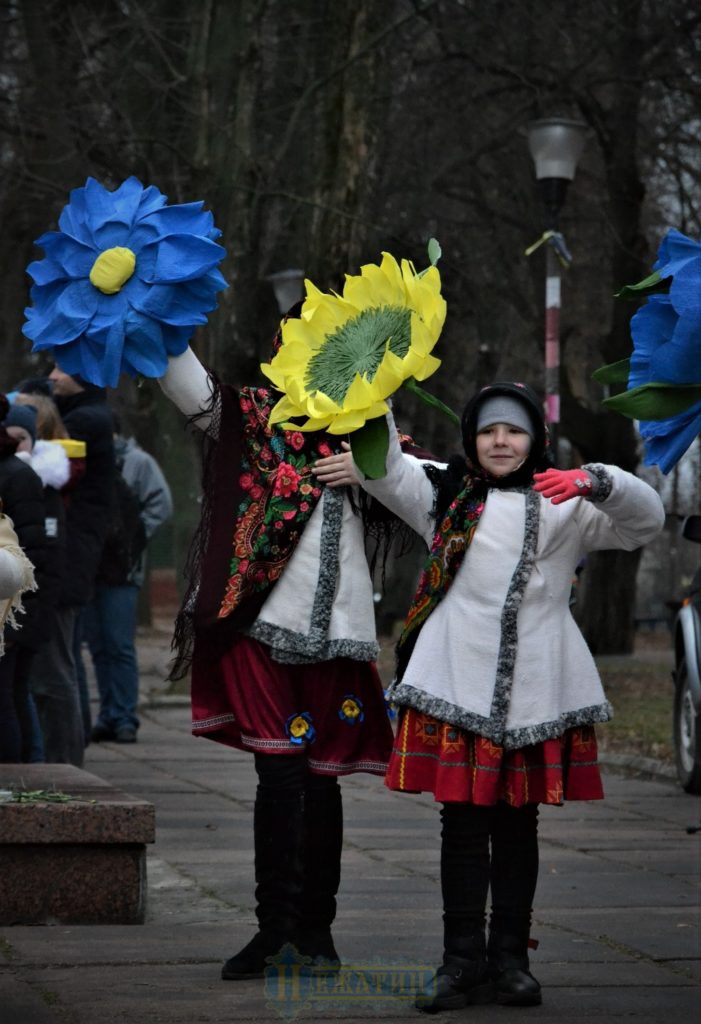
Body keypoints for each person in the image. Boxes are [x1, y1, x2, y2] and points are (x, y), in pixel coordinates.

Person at [313, 380, 665, 1011]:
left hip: (539, 689)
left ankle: (511, 960)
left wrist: (597, 480)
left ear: (536, 439)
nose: (501, 441)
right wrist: (379, 383)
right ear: (471, 437)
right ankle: (458, 962)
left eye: (515, 430)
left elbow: (648, 520)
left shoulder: (568, 502)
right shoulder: (441, 493)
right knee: (463, 828)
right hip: (457, 682)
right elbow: (387, 464)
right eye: (488, 430)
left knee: (519, 826)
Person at [156, 327, 402, 981]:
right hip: (259, 624)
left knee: (321, 780)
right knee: (280, 776)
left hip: (338, 635)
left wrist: (370, 467)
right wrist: (153, 318)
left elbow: (413, 490)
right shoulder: (254, 416)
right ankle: (273, 932)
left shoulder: (370, 421)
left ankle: (316, 933)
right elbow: (194, 395)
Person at [26, 366, 115, 765]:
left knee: (55, 667)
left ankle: (64, 761)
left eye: (61, 368)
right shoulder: (86, 415)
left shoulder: (83, 421)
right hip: (69, 559)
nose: (52, 376)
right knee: (62, 662)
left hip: (65, 561)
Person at [85, 413, 173, 744]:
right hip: (91, 568)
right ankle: (108, 715)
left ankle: (124, 716)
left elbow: (160, 505)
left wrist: (132, 541)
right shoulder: (89, 461)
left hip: (122, 571)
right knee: (98, 646)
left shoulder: (138, 462)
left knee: (119, 644)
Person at [3, 402, 69, 762]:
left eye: (21, 437)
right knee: (16, 694)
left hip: (18, 610)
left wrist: (19, 621)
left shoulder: (24, 480)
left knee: (14, 696)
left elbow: (38, 556)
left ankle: (28, 770)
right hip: (18, 607)